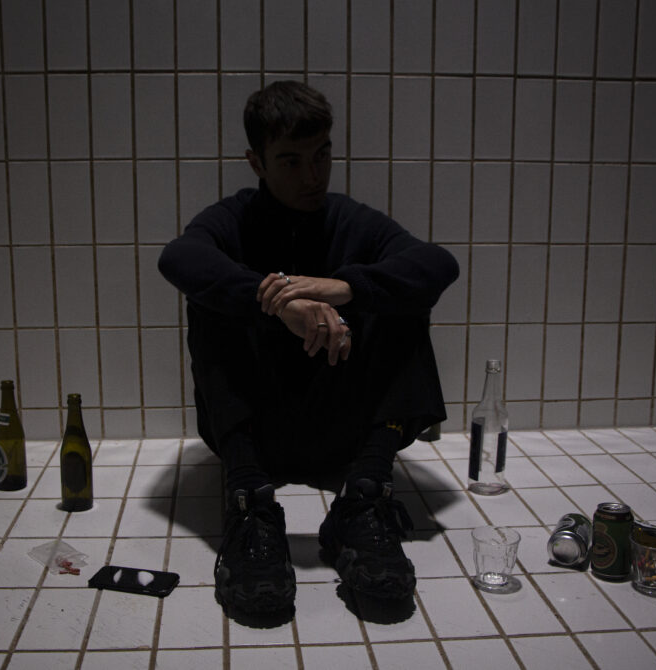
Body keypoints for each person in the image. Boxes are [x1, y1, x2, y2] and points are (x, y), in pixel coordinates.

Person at [158, 80, 459, 621]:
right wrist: (275, 301)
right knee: (210, 298)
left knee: (403, 295)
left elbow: (438, 264)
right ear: (256, 163)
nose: (312, 176)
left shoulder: (350, 219)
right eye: (291, 162)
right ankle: (249, 504)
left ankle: (364, 498)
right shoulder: (233, 219)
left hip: (345, 439)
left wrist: (345, 287)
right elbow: (178, 258)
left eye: (322, 155)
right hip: (255, 438)